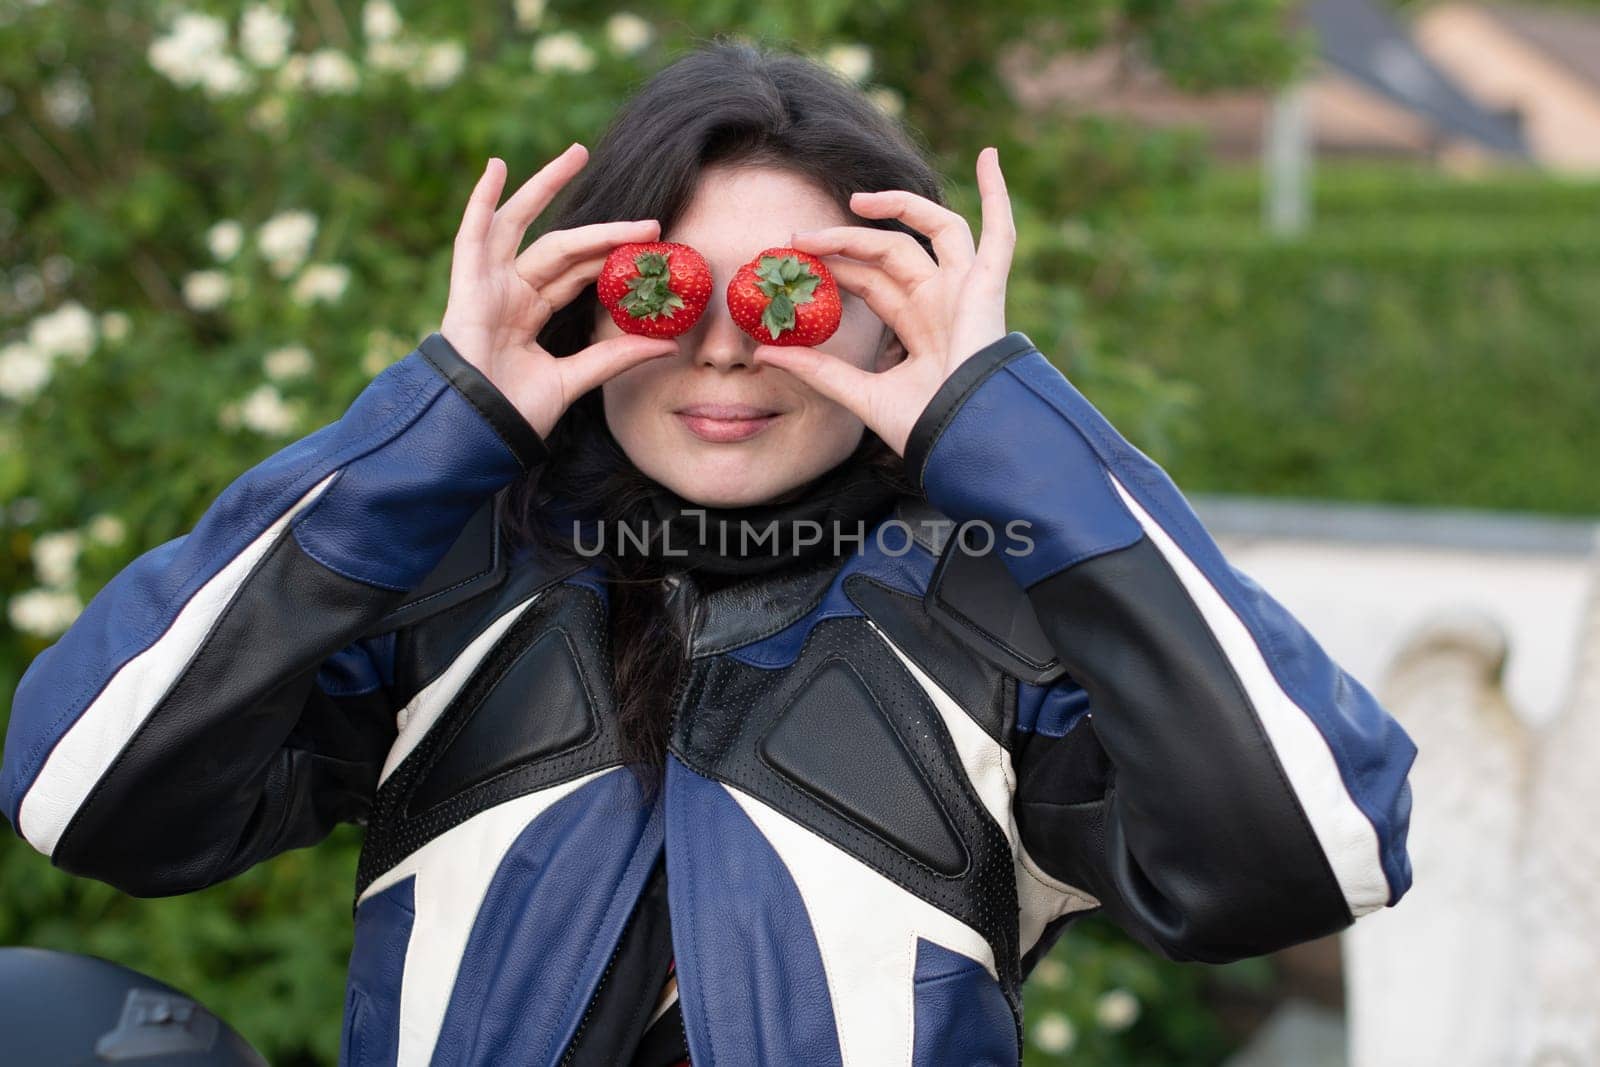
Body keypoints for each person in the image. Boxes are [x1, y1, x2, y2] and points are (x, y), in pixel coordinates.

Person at [0, 38, 1417, 1067]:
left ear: (894, 314)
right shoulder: (449, 587)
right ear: (579, 298)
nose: (729, 340)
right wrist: (437, 423)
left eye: (802, 291)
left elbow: (1312, 851)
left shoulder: (994, 623)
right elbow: (85, 792)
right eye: (661, 287)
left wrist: (1012, 434)